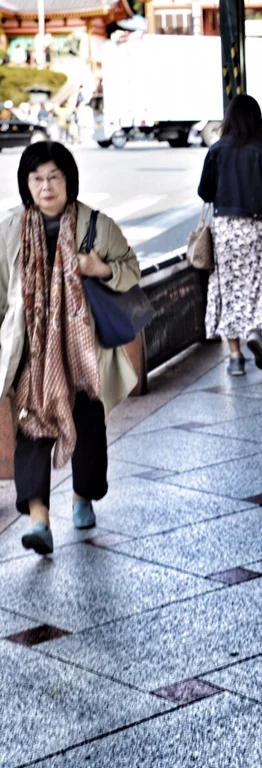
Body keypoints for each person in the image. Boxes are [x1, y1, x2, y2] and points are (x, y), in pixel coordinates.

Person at [0, 143, 141, 555]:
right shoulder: (10, 231)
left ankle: (84, 494)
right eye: (37, 178)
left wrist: (101, 269)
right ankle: (39, 519)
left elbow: (131, 269)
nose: (46, 187)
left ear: (69, 180)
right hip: (31, 349)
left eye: (55, 177)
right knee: (31, 428)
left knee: (88, 430)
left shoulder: (97, 225)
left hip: (84, 351)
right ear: (27, 183)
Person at [198, 94, 262, 377]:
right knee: (254, 282)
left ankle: (234, 356)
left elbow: (204, 192)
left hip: (225, 228)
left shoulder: (217, 149)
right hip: (256, 226)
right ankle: (254, 331)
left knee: (227, 287)